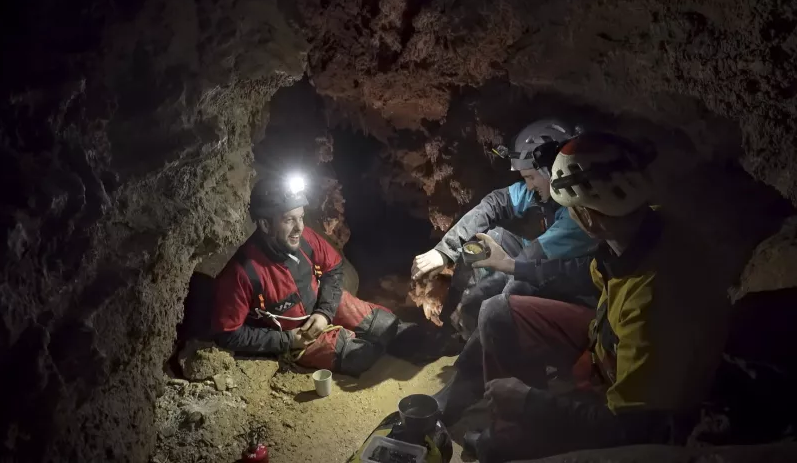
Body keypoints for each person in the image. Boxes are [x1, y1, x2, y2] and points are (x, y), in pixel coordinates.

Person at [442, 132, 732, 461]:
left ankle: (512, 431)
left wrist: (531, 402)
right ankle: (513, 425)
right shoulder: (641, 228)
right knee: (497, 312)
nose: (569, 217)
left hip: (645, 415)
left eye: (571, 211)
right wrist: (513, 268)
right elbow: (578, 271)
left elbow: (631, 427)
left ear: (589, 217)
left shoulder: (653, 298)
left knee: (498, 452)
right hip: (609, 340)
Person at [411, 119, 599, 338]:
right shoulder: (542, 193)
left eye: (530, 177)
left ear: (551, 170)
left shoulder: (577, 214)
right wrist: (444, 252)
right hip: (538, 263)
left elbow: (528, 262)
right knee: (481, 244)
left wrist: (477, 297)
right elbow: (495, 203)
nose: (528, 185)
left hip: (572, 287)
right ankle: (457, 326)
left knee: (512, 288)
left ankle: (487, 336)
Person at [211, 175, 404, 376]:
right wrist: (288, 340)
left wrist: (324, 312)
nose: (299, 227)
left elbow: (333, 268)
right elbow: (228, 333)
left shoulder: (306, 240)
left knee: (386, 325)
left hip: (322, 304)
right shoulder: (242, 273)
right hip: (298, 335)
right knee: (360, 357)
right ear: (265, 225)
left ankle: (423, 342)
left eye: (301, 217)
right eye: (289, 219)